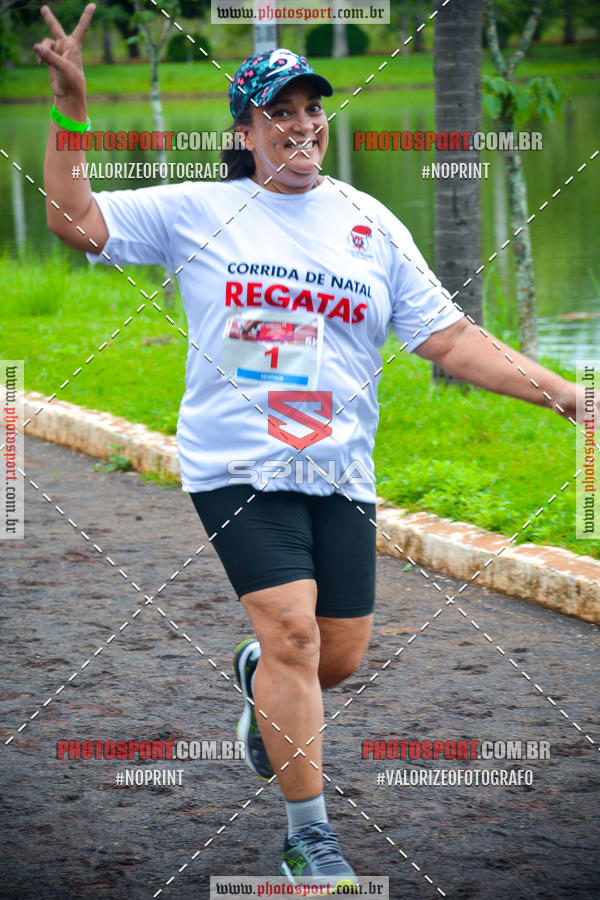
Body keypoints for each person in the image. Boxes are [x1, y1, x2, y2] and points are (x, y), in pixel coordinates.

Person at [36, 3, 596, 891]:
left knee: (337, 656)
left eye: (312, 110)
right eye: (279, 113)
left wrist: (565, 391)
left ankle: (260, 677)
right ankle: (311, 838)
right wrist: (71, 108)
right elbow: (75, 220)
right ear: (246, 129)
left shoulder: (368, 222)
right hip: (236, 466)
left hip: (340, 469)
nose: (300, 126)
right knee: (296, 630)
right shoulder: (200, 210)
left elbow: (449, 341)